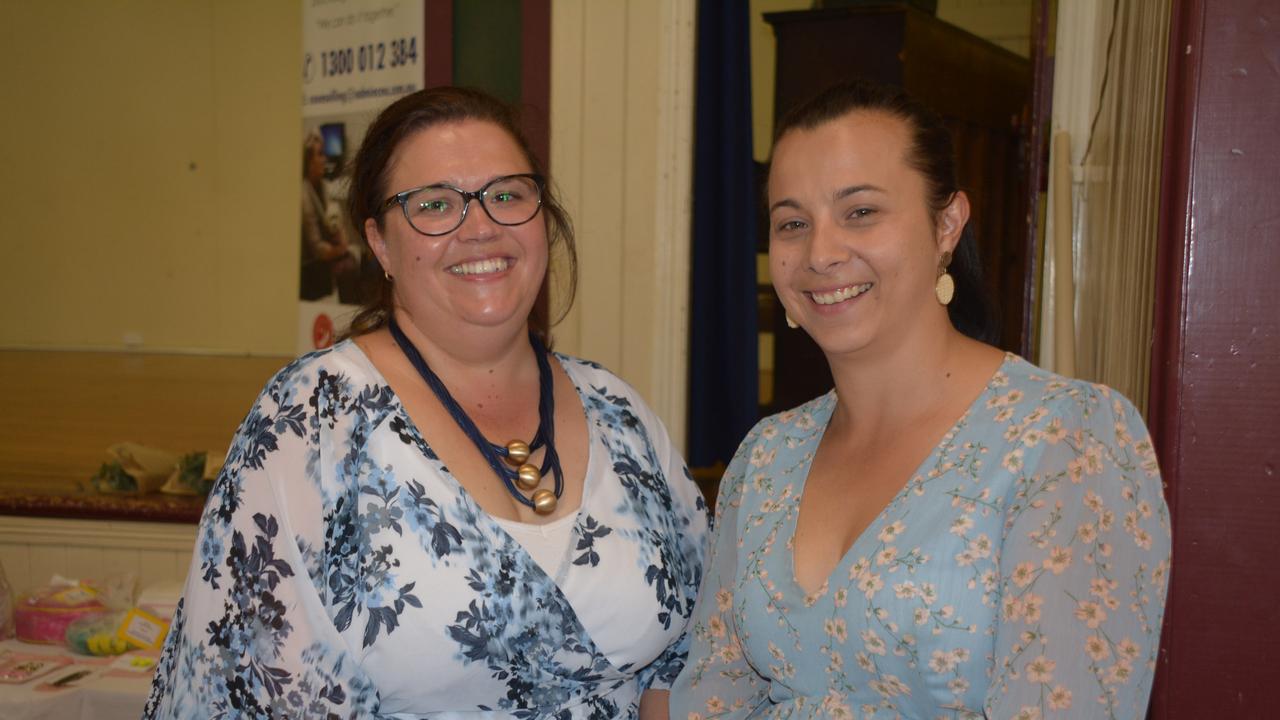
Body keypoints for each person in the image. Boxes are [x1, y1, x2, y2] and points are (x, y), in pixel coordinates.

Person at [145, 87, 708, 718]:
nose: (481, 226)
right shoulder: (311, 420)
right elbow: (242, 689)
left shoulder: (618, 410)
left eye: (507, 195)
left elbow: (696, 645)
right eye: (435, 205)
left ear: (543, 219)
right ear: (380, 245)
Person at [670, 80, 1170, 719]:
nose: (821, 253)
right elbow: (712, 691)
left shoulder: (1066, 439)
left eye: (860, 212)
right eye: (793, 223)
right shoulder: (767, 457)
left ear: (947, 225)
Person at [300, 130, 358, 301]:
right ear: (308, 161)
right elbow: (317, 248)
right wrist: (340, 250)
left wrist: (342, 241)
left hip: (329, 255)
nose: (325, 159)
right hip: (312, 266)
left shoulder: (324, 187)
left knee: (354, 260)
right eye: (319, 155)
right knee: (349, 266)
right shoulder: (303, 195)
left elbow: (336, 223)